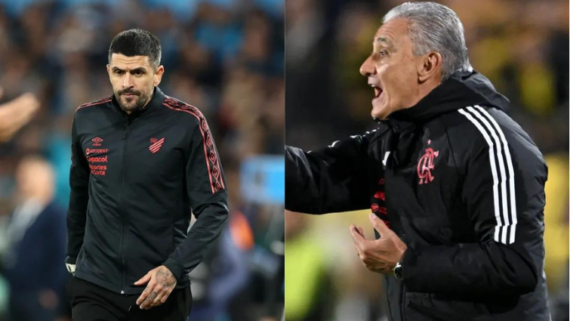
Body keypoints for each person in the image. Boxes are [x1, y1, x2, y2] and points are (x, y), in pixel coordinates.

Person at [285, 2, 550, 321]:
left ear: (427, 66)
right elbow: (311, 180)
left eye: (383, 53)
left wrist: (406, 262)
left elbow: (515, 264)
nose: (366, 67)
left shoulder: (491, 140)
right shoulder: (393, 140)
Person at [65, 29, 228, 321]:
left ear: (158, 73)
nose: (127, 83)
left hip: (159, 291)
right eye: (118, 72)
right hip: (95, 286)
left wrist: (174, 269)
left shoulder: (188, 123)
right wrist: (72, 256)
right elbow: (79, 192)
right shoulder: (86, 119)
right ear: (108, 71)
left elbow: (214, 208)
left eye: (138, 72)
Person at [2, 156, 67, 321]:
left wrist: (51, 289)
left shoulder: (54, 213)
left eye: (28, 175)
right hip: (16, 291)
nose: (22, 179)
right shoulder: (20, 209)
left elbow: (60, 253)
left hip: (39, 294)